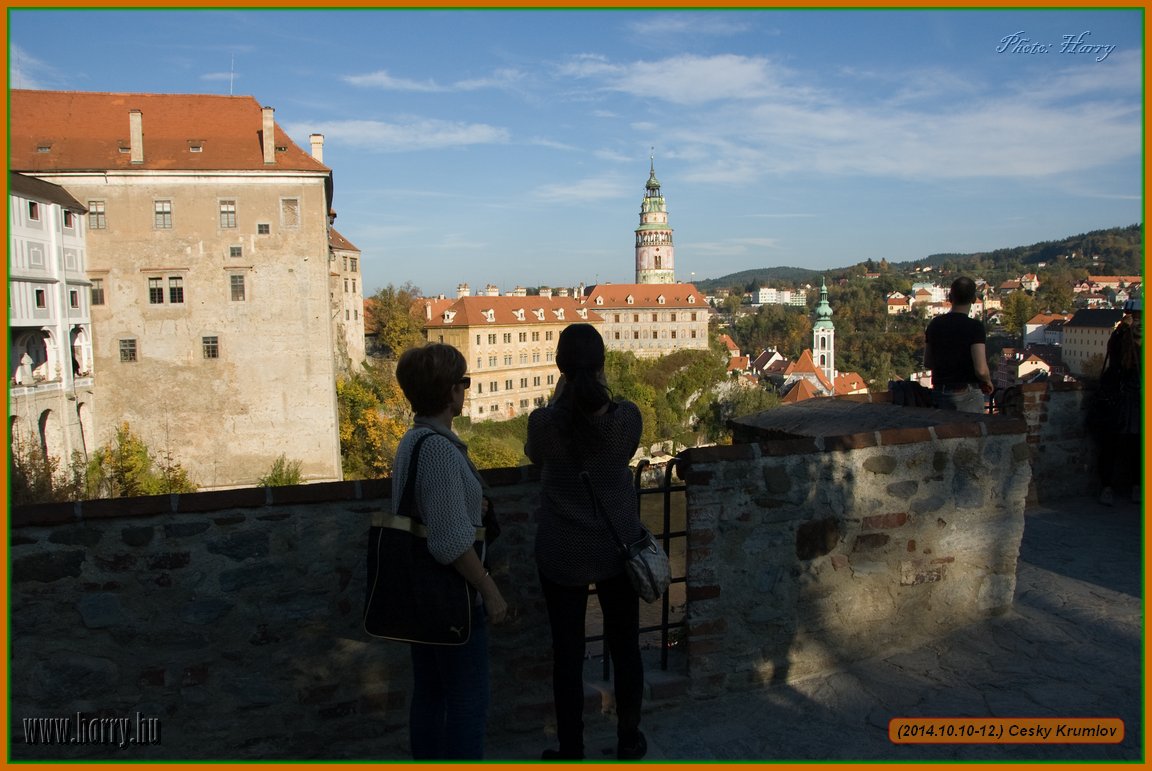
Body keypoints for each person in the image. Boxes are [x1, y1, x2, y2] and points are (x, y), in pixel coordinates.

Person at [526, 323, 648, 761]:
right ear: (602, 366)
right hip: (618, 551)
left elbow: (535, 455)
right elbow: (619, 447)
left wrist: (559, 401)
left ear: (560, 367)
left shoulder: (543, 425)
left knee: (567, 656)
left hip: (562, 550)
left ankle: (571, 749)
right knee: (626, 647)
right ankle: (628, 739)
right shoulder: (626, 419)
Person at [393, 343, 508, 760]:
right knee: (467, 703)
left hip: (421, 597)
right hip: (451, 601)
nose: (466, 389)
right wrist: (490, 591)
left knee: (429, 695)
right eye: (464, 382)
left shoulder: (413, 440)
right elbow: (450, 542)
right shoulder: (440, 450)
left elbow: (428, 509)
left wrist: (471, 506)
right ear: (449, 391)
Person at [924, 276, 995, 413]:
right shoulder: (975, 327)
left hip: (940, 393)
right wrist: (987, 381)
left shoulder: (935, 324)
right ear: (973, 299)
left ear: (950, 298)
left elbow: (928, 362)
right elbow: (981, 369)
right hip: (967, 393)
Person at [1095, 300, 1142, 505]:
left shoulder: (1120, 332)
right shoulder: (1129, 333)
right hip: (1129, 395)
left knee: (1114, 445)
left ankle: (1110, 487)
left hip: (1119, 395)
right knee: (1130, 445)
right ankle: (1132, 487)